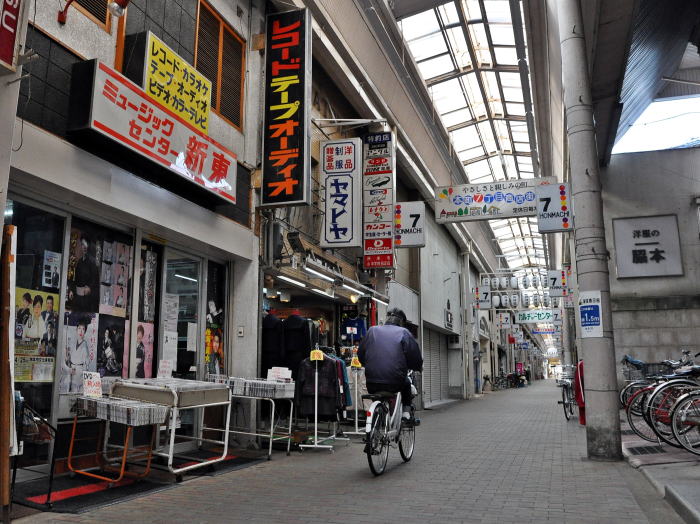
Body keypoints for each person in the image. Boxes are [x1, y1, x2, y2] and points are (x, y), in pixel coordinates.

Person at [358, 308, 422, 419]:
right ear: (401, 322)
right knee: (407, 383)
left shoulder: (372, 330)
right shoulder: (403, 332)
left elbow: (361, 355)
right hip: (394, 383)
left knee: (377, 394)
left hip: (372, 382)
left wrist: (367, 364)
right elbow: (414, 356)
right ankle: (406, 413)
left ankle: (377, 418)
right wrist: (417, 367)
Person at [72, 235, 99, 311]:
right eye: (82, 244)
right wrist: (72, 290)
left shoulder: (92, 262)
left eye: (86, 244)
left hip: (88, 298)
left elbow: (94, 278)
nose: (84, 247)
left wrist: (89, 287)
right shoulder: (80, 261)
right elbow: (76, 278)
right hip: (78, 296)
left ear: (89, 246)